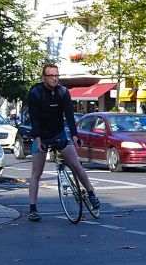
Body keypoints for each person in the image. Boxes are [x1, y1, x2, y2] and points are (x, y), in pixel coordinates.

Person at [26, 64, 99, 221]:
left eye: (56, 76)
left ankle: (91, 192)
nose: (54, 78)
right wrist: (38, 140)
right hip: (42, 135)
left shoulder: (63, 92)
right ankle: (33, 208)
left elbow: (70, 115)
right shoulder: (35, 93)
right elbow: (34, 119)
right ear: (43, 77)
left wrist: (74, 135)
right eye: (51, 76)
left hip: (59, 134)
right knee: (36, 173)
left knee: (76, 164)